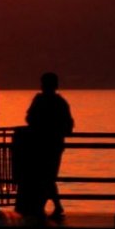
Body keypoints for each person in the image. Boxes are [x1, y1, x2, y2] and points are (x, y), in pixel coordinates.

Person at [25, 72, 74, 218]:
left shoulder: (39, 100)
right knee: (48, 176)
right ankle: (51, 206)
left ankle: (44, 206)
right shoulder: (60, 102)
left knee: (44, 176)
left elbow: (29, 118)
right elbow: (69, 125)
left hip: (42, 144)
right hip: (54, 144)